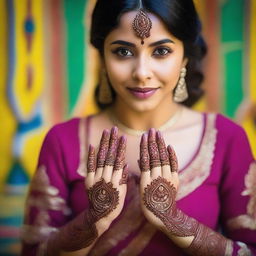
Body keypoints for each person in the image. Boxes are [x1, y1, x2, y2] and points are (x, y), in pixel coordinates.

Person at [21, 0, 256, 255]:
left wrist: (173, 220)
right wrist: (93, 220)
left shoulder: (226, 139)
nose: (142, 72)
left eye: (161, 51)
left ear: (185, 57)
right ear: (102, 56)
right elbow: (34, 251)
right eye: (123, 52)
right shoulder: (63, 140)